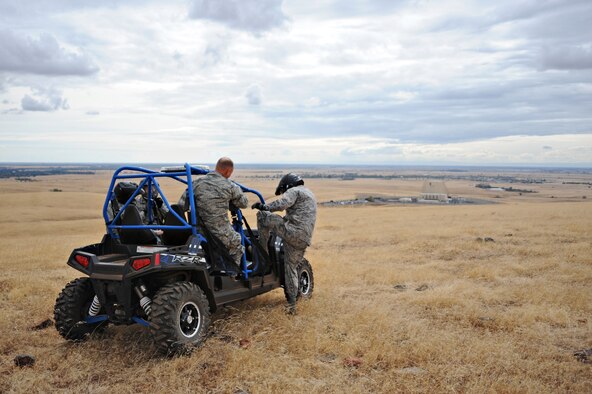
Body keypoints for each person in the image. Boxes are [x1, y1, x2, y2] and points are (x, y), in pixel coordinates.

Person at [252, 173, 316, 314]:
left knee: (262, 217)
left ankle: (262, 254)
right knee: (290, 268)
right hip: (303, 239)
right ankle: (292, 305)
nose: (283, 193)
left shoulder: (294, 191)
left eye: (282, 191)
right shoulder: (309, 194)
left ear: (287, 185)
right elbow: (293, 215)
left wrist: (264, 207)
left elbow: (282, 204)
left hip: (292, 232)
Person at [194, 157, 248, 269]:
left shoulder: (196, 183)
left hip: (199, 230)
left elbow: (181, 204)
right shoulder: (230, 185)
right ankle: (233, 275)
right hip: (221, 232)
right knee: (238, 243)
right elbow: (244, 203)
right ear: (228, 171)